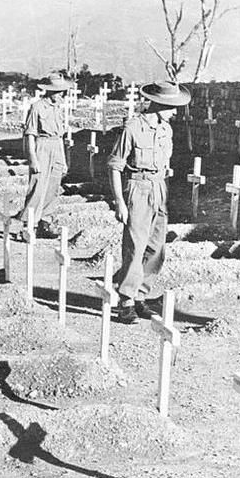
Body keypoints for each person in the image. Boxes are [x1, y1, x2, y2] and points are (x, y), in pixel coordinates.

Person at [106, 81, 190, 323]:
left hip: (159, 188)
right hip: (137, 189)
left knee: (156, 248)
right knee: (136, 246)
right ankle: (126, 301)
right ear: (158, 104)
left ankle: (141, 295)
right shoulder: (132, 128)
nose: (175, 112)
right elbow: (114, 166)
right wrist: (119, 202)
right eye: (172, 107)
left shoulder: (166, 130)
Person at [15, 72, 72, 239]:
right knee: (37, 188)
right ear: (49, 91)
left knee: (53, 188)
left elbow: (60, 136)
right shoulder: (37, 107)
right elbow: (30, 134)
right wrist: (32, 159)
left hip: (57, 147)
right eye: (59, 91)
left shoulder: (58, 109)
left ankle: (44, 223)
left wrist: (64, 160)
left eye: (63, 91)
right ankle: (28, 225)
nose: (62, 94)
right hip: (42, 147)